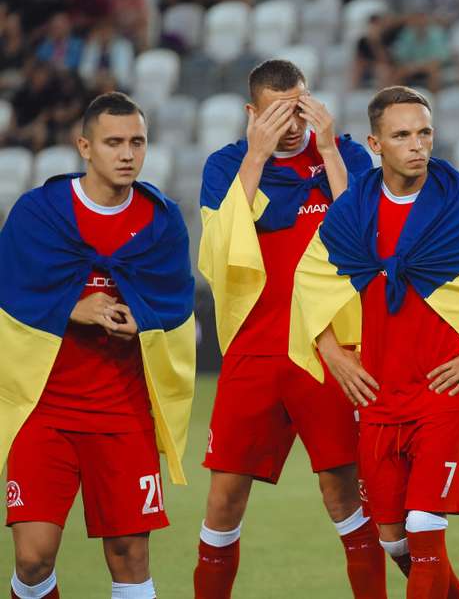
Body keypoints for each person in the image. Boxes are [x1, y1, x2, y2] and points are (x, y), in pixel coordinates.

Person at [289, 85, 459, 598]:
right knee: (391, 537)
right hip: (377, 395)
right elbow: (309, 279)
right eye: (401, 135)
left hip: (442, 393)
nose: (417, 145)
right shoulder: (355, 208)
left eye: (424, 132)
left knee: (423, 527)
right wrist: (330, 351)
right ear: (375, 144)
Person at [193, 59, 386, 598]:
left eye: (300, 107)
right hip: (253, 354)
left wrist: (327, 152)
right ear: (252, 113)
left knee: (345, 496)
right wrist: (256, 155)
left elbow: (366, 236)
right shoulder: (226, 165)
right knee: (223, 501)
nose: (294, 123)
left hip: (332, 353)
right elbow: (219, 255)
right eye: (278, 112)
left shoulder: (344, 154)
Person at [1, 91, 195, 599]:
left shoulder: (161, 219)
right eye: (113, 142)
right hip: (45, 410)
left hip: (123, 411)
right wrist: (71, 307)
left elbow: (175, 301)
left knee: (129, 558)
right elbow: (9, 289)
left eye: (137, 141)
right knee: (33, 557)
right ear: (84, 146)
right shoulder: (39, 213)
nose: (127, 153)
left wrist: (144, 319)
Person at [391, 11, 451, 93]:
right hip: (412, 66)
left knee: (433, 69)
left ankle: (433, 99)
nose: (419, 23)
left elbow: (441, 58)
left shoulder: (436, 33)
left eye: (422, 21)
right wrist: (412, 66)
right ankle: (398, 101)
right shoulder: (408, 33)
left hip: (429, 66)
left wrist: (421, 66)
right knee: (398, 72)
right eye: (417, 21)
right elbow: (399, 55)